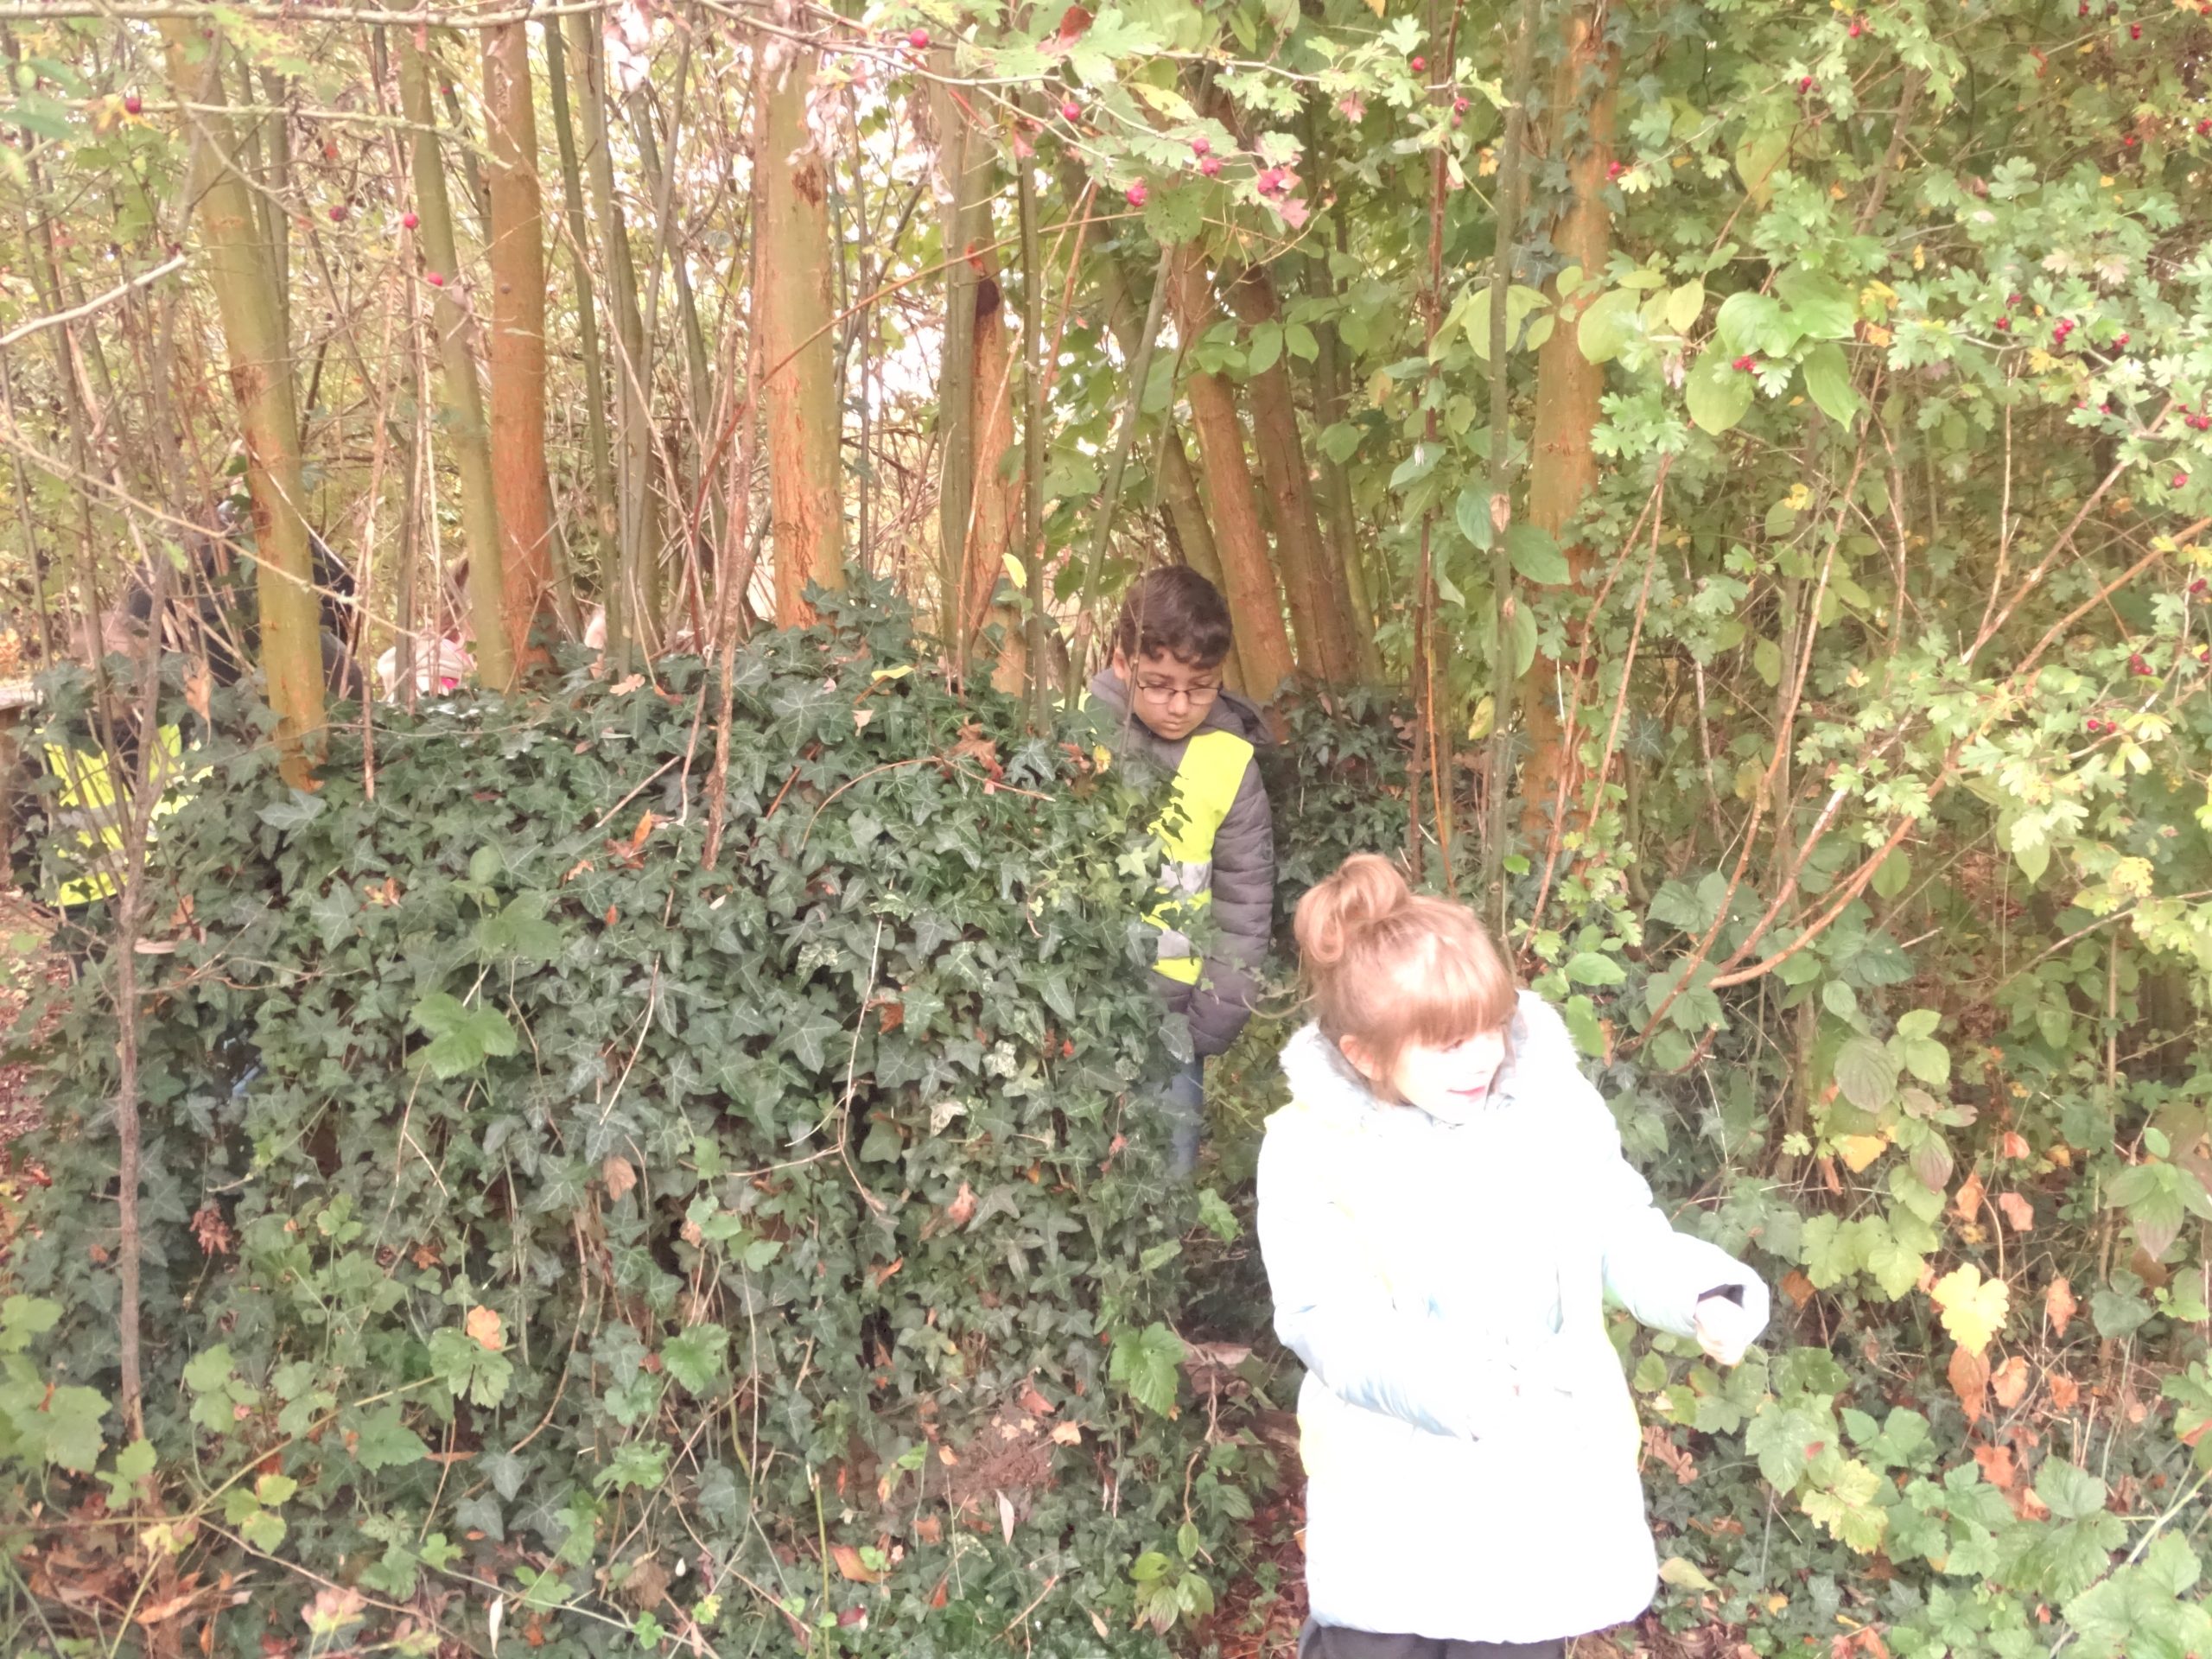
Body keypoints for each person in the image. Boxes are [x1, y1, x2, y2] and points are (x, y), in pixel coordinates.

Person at [1258, 854, 1770, 1659]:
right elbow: (1326, 1317)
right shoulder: (1311, 1146)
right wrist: (1451, 1392)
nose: (1481, 1058)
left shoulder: (1553, 1110)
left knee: (1512, 1643)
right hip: (1390, 1496)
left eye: (1491, 1027)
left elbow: (1617, 1226)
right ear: (1364, 1054)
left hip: (1535, 1482)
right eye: (1447, 1043)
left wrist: (1702, 1291)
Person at [1088, 566, 1275, 1178]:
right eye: (1159, 685)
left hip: (1177, 1015)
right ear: (1122, 662)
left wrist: (1214, 1016)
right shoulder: (1077, 733)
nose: (1178, 705)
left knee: (1168, 1169)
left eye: (1200, 688)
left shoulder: (1232, 760)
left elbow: (1244, 900)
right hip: (1081, 1002)